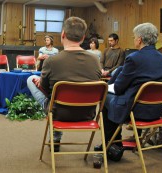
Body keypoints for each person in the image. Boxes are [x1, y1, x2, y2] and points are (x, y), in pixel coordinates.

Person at [27, 17, 101, 152]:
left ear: (63, 35)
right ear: (83, 37)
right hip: (88, 114)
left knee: (31, 79)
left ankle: (55, 136)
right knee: (56, 93)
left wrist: (41, 82)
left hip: (59, 113)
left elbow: (44, 88)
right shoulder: (95, 60)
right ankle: (55, 135)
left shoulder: (52, 61)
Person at [100, 23, 162, 160]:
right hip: (157, 111)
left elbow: (119, 88)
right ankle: (112, 145)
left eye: (134, 37)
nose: (134, 40)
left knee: (105, 97)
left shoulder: (134, 58)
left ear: (139, 39)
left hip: (135, 110)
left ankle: (113, 145)